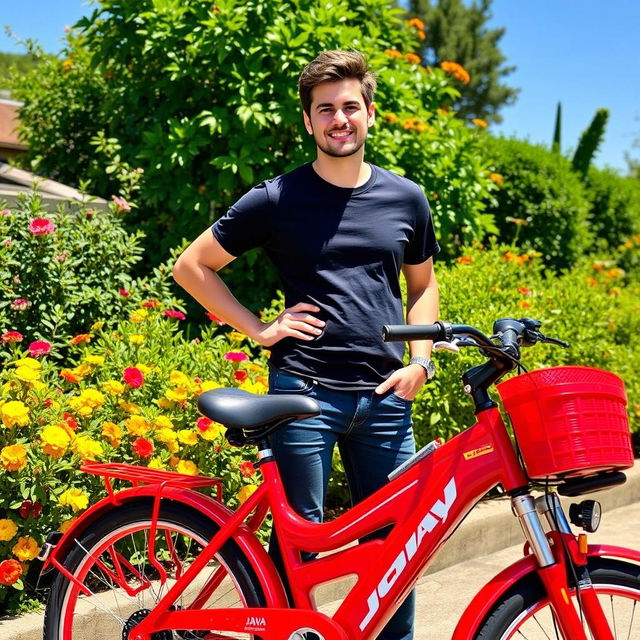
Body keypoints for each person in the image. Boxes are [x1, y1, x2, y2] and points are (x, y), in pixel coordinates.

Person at [173, 49, 439, 640]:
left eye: (350, 106)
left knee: (396, 549)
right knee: (298, 550)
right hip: (303, 394)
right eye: (326, 110)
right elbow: (192, 267)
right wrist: (259, 329)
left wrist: (420, 362)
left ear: (370, 113)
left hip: (387, 394)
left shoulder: (406, 199)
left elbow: (422, 286)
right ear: (308, 122)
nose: (339, 119)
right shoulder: (278, 198)